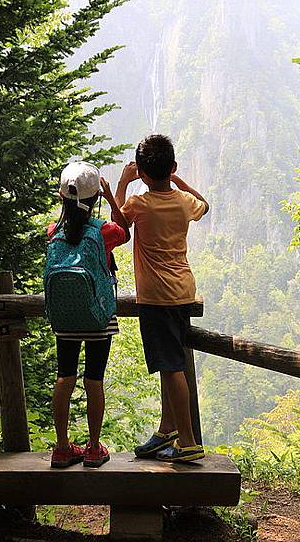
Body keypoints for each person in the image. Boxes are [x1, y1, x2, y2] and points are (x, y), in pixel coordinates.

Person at [114, 135, 209, 463]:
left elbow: (118, 228)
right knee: (173, 361)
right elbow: (204, 205)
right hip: (182, 291)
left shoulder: (140, 204)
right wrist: (179, 181)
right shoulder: (183, 201)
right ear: (172, 167)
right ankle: (167, 428)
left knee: (170, 367)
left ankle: (188, 441)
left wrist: (122, 183)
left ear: (140, 171)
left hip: (156, 299)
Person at [46, 161, 129, 469]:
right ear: (95, 197)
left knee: (64, 376)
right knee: (94, 379)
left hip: (65, 318)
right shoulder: (104, 231)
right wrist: (111, 198)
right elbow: (125, 232)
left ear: (62, 198)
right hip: (98, 317)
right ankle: (94, 448)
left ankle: (63, 448)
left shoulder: (53, 231)